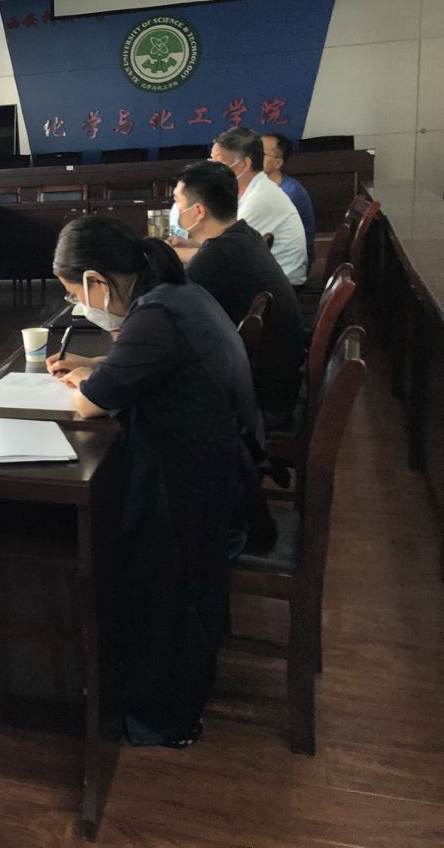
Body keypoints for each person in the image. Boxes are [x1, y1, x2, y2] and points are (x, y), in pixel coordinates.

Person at [47, 215, 262, 748]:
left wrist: (89, 380)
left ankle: (161, 715)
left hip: (189, 490)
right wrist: (95, 363)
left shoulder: (154, 318)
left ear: (96, 281)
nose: (78, 304)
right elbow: (148, 365)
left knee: (139, 569)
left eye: (74, 293)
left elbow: (89, 404)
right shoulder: (176, 295)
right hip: (216, 470)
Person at [172, 161, 304, 425]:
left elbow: (168, 330)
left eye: (177, 201)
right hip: (278, 386)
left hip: (261, 404)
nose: (175, 209)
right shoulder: (245, 234)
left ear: (198, 211)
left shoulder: (216, 257)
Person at [170, 128, 307, 285]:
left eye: (218, 162)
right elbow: (221, 245)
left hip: (281, 285)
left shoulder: (260, 199)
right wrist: (188, 244)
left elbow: (220, 253)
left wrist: (171, 253)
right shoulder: (244, 192)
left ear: (244, 164)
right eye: (211, 160)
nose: (212, 168)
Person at [262, 132, 316, 270]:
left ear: (278, 163)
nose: (252, 157)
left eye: (261, 154)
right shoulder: (260, 187)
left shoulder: (289, 192)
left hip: (290, 267)